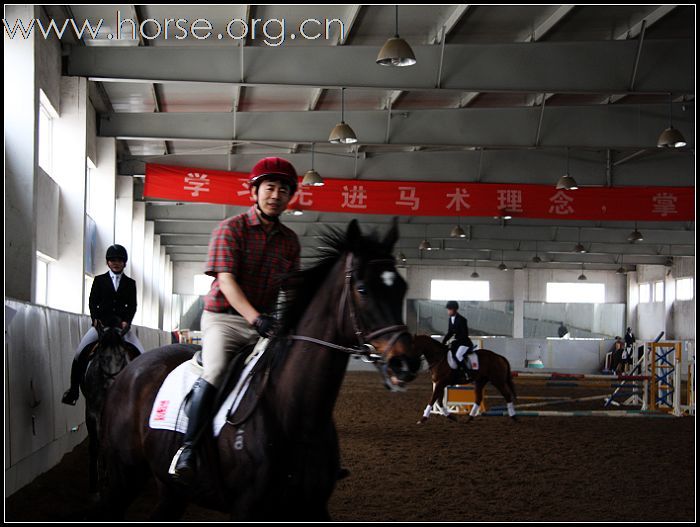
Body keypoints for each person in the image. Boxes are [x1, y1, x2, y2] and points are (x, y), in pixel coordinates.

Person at [170, 157, 301, 484]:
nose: (276, 195)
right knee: (216, 371)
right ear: (254, 191)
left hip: (265, 324)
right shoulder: (230, 228)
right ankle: (189, 448)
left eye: (284, 190)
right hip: (225, 319)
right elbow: (226, 281)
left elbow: (291, 287)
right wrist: (256, 318)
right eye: (270, 187)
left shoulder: (290, 241)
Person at [61, 244, 144, 405]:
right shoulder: (99, 280)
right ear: (107, 262)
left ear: (124, 263)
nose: (116, 263)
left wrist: (127, 321)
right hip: (102, 325)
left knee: (141, 353)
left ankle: (141, 392)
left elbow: (132, 305)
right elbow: (93, 302)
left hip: (121, 327)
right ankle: (73, 390)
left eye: (119, 260)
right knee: (79, 353)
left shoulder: (130, 283)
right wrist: (95, 319)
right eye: (112, 260)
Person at [442, 301, 475, 379]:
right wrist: (443, 342)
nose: (448, 311)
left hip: (464, 343)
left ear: (455, 310)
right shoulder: (450, 319)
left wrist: (454, 341)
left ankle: (468, 373)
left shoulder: (462, 320)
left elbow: (464, 334)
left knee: (458, 355)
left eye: (450, 309)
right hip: (457, 342)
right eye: (448, 309)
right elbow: (450, 332)